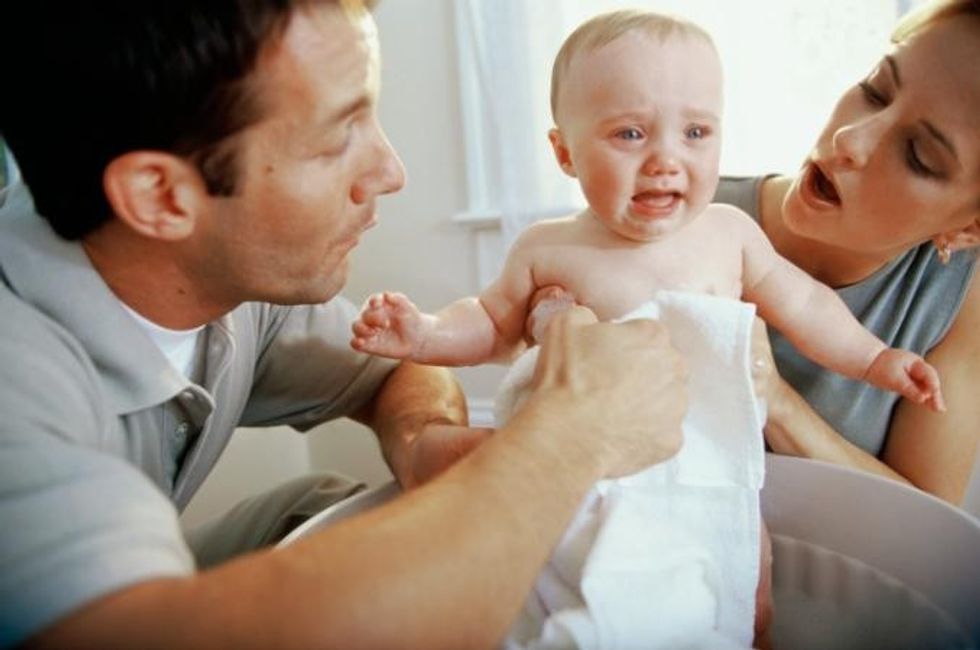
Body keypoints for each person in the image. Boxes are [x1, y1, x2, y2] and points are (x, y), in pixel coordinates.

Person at [0, 2, 689, 648]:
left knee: (324, 509)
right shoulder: (17, 374)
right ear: (159, 196)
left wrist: (422, 442)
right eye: (338, 140)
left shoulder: (233, 287)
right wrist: (570, 439)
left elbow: (398, 369)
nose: (390, 172)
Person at [350, 11, 944, 415]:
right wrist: (424, 334)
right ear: (565, 154)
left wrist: (875, 359)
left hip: (714, 451)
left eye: (694, 132)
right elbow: (488, 322)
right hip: (587, 454)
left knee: (749, 574)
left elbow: (808, 305)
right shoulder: (548, 248)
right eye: (630, 133)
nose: (666, 159)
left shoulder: (729, 234)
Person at [709, 0, 980, 506]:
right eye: (875, 91)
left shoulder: (958, 301)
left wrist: (773, 398)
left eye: (918, 155)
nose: (849, 138)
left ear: (968, 228)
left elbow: (927, 527)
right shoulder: (687, 211)